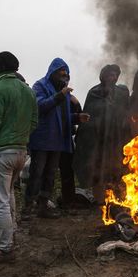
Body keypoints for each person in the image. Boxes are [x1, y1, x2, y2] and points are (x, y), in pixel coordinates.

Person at [0, 51, 38, 264]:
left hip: (0, 153)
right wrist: (21, 139)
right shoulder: (28, 91)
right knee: (9, 194)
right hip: (20, 151)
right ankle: (11, 236)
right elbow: (33, 122)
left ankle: (5, 249)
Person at [25, 58, 89, 219]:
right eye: (61, 72)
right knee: (37, 173)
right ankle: (27, 208)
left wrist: (77, 117)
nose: (64, 75)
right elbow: (39, 107)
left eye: (66, 73)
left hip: (59, 141)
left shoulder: (64, 91)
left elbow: (62, 116)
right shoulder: (40, 86)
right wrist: (59, 96)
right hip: (42, 139)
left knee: (50, 174)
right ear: (52, 72)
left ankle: (43, 206)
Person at [74, 64, 130, 205]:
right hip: (98, 138)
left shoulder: (121, 92)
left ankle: (116, 199)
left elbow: (127, 112)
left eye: (116, 75)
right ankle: (100, 200)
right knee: (98, 167)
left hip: (116, 138)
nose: (114, 77)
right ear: (104, 76)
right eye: (111, 75)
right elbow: (88, 117)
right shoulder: (94, 93)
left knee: (117, 167)